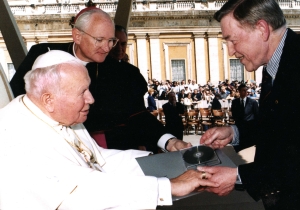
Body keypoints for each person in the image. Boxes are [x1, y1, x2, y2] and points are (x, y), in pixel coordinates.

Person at [0, 50, 218, 210]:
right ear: (49, 99)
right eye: (82, 92)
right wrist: (167, 186)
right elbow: (82, 192)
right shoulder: (17, 135)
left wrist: (162, 162)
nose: (91, 99)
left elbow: (99, 160)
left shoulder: (53, 112)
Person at [9, 7, 190, 153]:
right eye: (99, 40)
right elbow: (15, 99)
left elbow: (136, 114)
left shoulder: (119, 73)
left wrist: (169, 141)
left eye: (111, 41)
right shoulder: (42, 55)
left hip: (96, 148)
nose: (107, 48)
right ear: (77, 36)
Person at [199, 0, 300, 209]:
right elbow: (281, 127)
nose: (230, 51)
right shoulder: (274, 64)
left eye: (232, 40)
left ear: (262, 29)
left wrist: (239, 175)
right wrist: (235, 133)